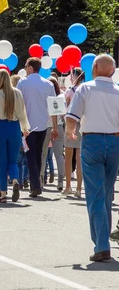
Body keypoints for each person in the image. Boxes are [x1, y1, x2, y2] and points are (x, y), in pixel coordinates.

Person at [65, 55, 119, 262]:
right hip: (114, 142)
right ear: (112, 71)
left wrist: (71, 131)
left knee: (95, 194)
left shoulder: (86, 88)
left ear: (94, 68)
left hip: (93, 141)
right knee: (106, 193)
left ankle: (102, 244)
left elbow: (72, 117)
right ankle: (103, 241)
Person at [0, 70, 30, 203]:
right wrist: (25, 128)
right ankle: (15, 180)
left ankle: (3, 193)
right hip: (14, 127)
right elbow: (23, 113)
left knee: (1, 163)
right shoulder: (17, 93)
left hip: (0, 129)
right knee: (13, 161)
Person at [17, 58, 58, 198]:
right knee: (38, 155)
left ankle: (35, 185)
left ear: (29, 68)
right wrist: (54, 126)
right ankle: (37, 183)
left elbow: (19, 103)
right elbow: (54, 107)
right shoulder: (48, 84)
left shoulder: (22, 82)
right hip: (42, 125)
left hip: (27, 125)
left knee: (30, 155)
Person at [62, 68, 85, 198]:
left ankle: (68, 186)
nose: (70, 77)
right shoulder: (86, 90)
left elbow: (67, 108)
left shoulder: (71, 91)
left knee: (69, 156)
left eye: (72, 75)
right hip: (83, 123)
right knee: (79, 157)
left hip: (72, 122)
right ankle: (79, 188)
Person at [48, 77, 65, 191]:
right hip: (59, 126)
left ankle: (40, 179)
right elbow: (62, 114)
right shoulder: (59, 98)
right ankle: (60, 180)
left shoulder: (46, 98)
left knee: (43, 154)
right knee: (59, 155)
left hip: (46, 126)